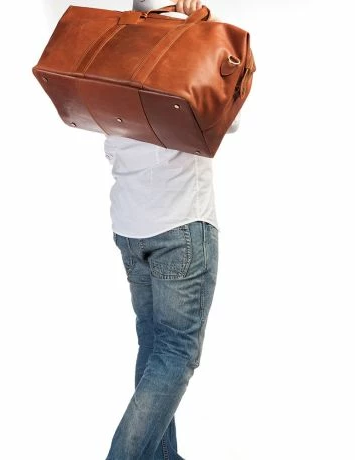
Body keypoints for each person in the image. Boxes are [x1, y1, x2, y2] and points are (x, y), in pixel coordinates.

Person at [105, 1, 240, 458]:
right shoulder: (183, 52)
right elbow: (230, 115)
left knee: (153, 346)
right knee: (177, 354)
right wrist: (208, 29)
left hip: (130, 225)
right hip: (180, 222)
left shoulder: (115, 49)